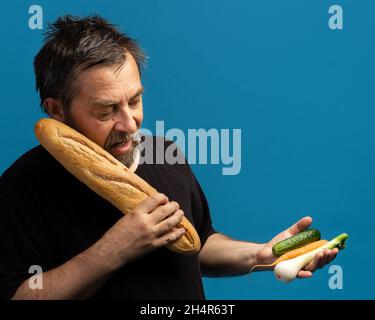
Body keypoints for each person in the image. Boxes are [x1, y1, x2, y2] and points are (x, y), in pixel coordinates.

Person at [0, 15, 338, 300]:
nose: (130, 123)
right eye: (106, 110)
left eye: (134, 101)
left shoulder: (164, 154)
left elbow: (199, 244)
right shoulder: (22, 186)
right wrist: (114, 249)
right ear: (56, 110)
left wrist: (259, 255)